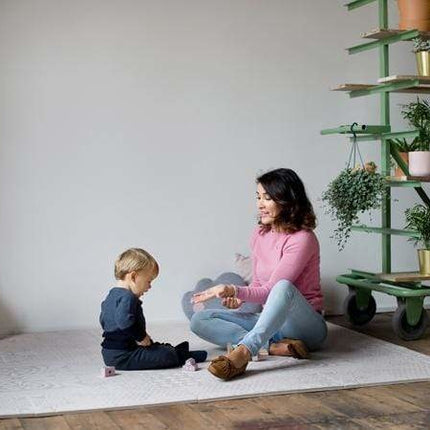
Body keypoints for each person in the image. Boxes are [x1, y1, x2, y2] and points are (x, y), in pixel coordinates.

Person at [190, 168, 327, 380]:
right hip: (270, 324)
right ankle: (273, 346)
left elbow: (271, 290)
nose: (260, 204)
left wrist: (231, 288)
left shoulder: (302, 239)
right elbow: (257, 285)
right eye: (258, 197)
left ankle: (245, 351)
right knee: (199, 319)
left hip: (305, 327)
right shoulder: (259, 234)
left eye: (267, 198)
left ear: (287, 201)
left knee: (282, 287)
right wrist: (239, 299)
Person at [100, 248, 207, 370]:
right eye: (148, 281)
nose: (149, 286)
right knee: (165, 355)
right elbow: (124, 321)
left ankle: (170, 350)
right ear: (134, 276)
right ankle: (180, 355)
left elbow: (103, 320)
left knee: (154, 349)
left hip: (109, 353)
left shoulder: (111, 296)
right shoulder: (128, 297)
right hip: (124, 355)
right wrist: (141, 337)